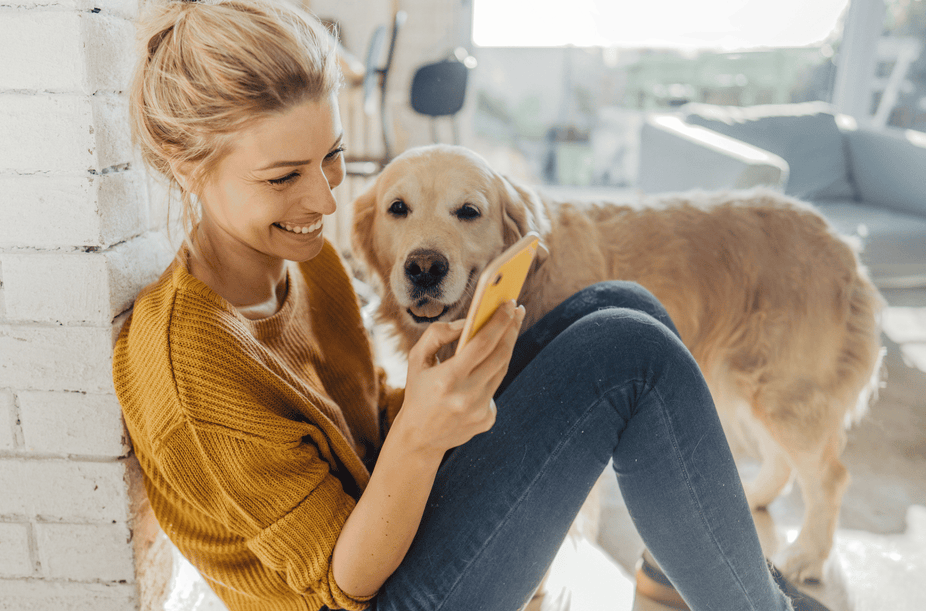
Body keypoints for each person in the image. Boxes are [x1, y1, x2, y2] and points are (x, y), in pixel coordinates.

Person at [112, 1, 830, 610]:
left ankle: (677, 575)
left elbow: (357, 421)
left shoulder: (302, 261)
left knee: (618, 305)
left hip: (396, 530)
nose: (325, 200)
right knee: (626, 356)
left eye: (331, 157)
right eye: (283, 176)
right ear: (187, 168)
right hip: (367, 591)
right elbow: (342, 582)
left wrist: (428, 399)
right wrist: (423, 430)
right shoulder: (191, 365)